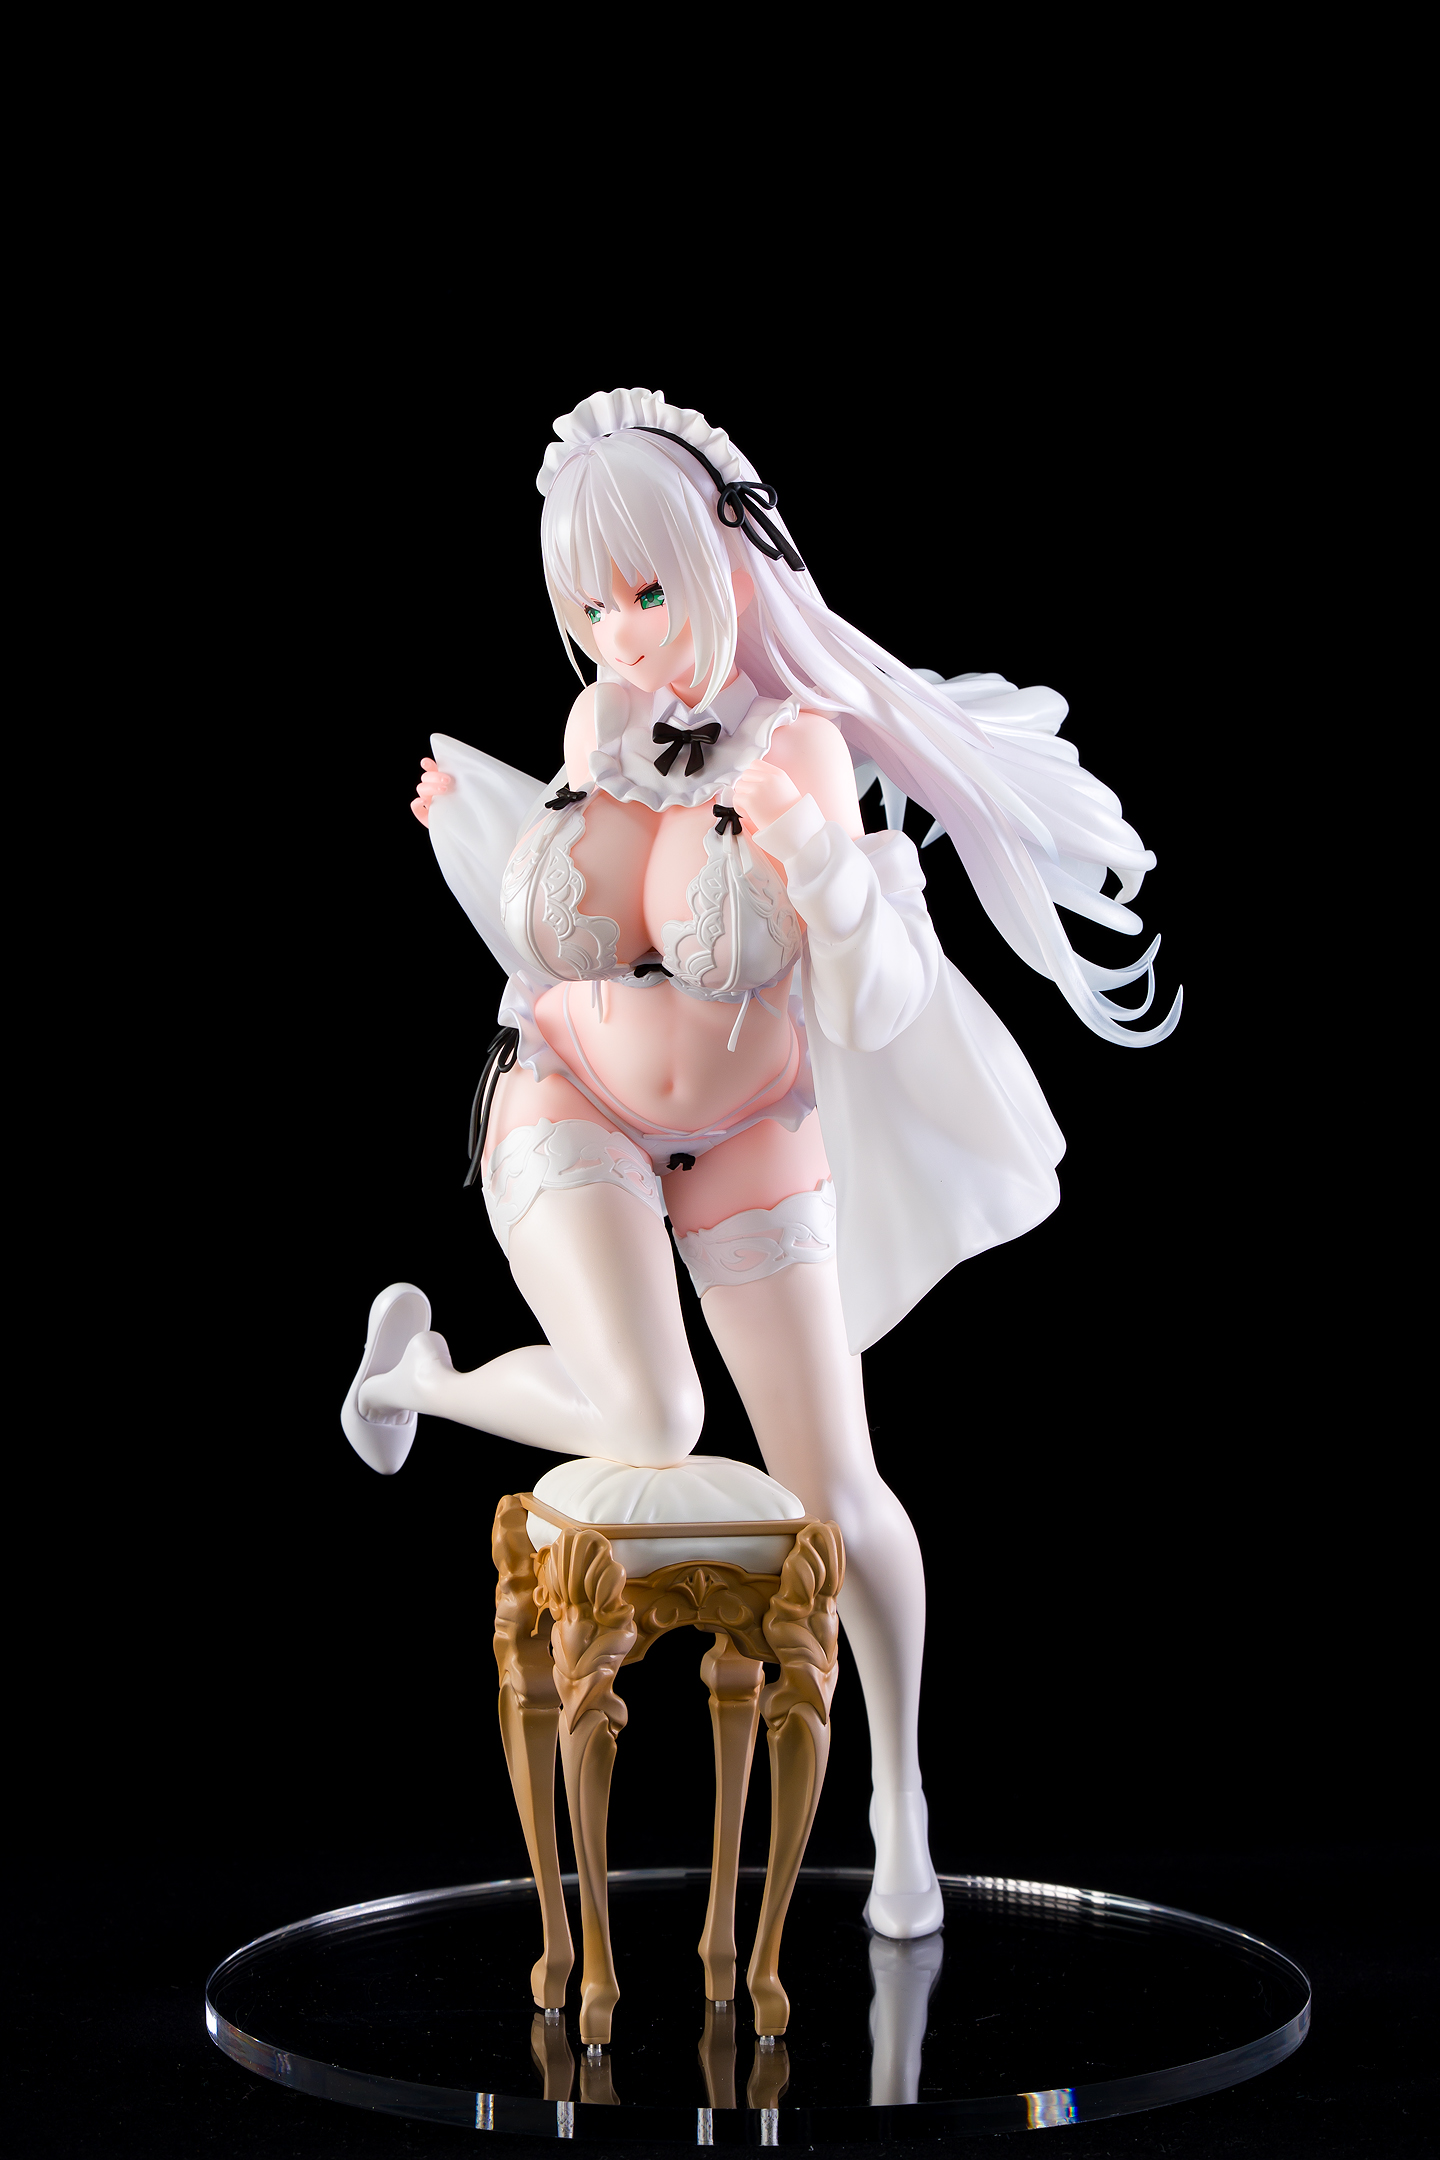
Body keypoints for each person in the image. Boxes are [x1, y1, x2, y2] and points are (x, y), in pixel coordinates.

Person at [343, 389, 1180, 1940]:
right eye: (590, 606)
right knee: (649, 1413)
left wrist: (819, 867)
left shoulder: (803, 747)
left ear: (729, 564)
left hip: (750, 1126)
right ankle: (419, 1382)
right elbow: (561, 935)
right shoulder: (596, 722)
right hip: (571, 1092)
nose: (621, 634)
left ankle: (902, 1801)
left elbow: (876, 1001)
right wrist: (474, 830)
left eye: (646, 593)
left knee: (834, 1487)